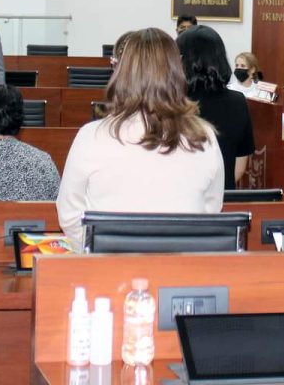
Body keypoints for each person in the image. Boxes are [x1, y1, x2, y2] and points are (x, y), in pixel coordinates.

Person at [56, 28, 222, 246]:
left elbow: (69, 215)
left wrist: (98, 252)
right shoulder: (204, 137)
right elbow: (210, 211)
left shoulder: (91, 136)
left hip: (109, 263)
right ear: (177, 72)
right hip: (180, 262)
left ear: (122, 74)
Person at [178, 25, 255, 190]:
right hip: (224, 198)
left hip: (181, 199)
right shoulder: (238, 102)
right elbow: (239, 167)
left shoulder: (173, 103)